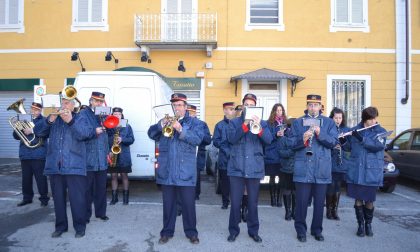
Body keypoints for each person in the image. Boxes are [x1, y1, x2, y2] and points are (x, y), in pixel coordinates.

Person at [147, 93, 205, 245]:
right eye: (174, 105)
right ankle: (167, 232)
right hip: (167, 170)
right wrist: (161, 125)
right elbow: (151, 134)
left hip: (186, 170)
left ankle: (191, 232)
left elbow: (198, 139)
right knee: (168, 205)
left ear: (186, 107)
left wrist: (180, 129)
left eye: (179, 105)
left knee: (188, 205)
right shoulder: (165, 121)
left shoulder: (195, 123)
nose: (176, 108)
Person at [34, 97, 94, 238]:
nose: (64, 105)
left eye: (67, 103)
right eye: (63, 102)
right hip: (55, 166)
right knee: (58, 199)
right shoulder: (53, 118)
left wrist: (70, 121)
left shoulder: (80, 118)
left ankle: (80, 227)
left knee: (77, 199)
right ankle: (60, 227)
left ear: (74, 106)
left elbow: (86, 134)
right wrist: (50, 119)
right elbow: (38, 132)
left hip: (75, 166)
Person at [289, 94, 338, 242]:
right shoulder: (298, 122)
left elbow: (334, 142)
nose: (313, 108)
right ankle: (301, 230)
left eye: (316, 105)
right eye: (310, 105)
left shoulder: (329, 123)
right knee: (301, 203)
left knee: (318, 204)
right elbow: (291, 144)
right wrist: (302, 139)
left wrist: (319, 133)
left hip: (321, 168)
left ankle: (317, 230)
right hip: (303, 167)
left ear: (320, 106)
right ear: (307, 106)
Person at [226, 93, 273, 243]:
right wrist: (245, 125)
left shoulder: (263, 123)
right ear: (242, 106)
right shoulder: (234, 123)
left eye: (252, 105)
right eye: (247, 104)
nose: (249, 107)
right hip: (236, 168)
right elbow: (231, 139)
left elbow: (269, 140)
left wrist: (259, 128)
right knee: (235, 202)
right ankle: (233, 230)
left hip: (254, 168)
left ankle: (254, 231)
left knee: (253, 202)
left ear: (256, 106)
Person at [344, 107, 387, 237]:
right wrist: (342, 141)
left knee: (369, 200)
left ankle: (368, 224)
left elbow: (378, 146)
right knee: (358, 199)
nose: (374, 121)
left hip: (371, 172)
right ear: (365, 119)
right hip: (357, 170)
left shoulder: (381, 131)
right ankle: (360, 225)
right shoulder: (354, 130)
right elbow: (348, 147)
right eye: (371, 119)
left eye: (375, 118)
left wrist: (362, 139)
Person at [13, 102, 50, 207]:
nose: (34, 111)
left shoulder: (44, 121)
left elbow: (45, 133)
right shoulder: (24, 120)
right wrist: (17, 127)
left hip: (39, 154)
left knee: (41, 179)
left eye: (37, 110)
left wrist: (32, 131)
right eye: (32, 109)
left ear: (40, 111)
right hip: (25, 154)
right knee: (26, 179)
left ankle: (44, 199)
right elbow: (16, 136)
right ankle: (27, 198)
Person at [81, 92, 110, 222]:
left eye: (101, 101)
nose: (99, 103)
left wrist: (108, 151)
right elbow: (81, 133)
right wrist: (94, 131)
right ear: (91, 101)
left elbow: (106, 135)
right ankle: (86, 215)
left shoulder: (102, 115)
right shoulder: (83, 114)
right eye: (97, 101)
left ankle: (100, 213)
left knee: (101, 188)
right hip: (89, 158)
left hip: (102, 157)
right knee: (87, 190)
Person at [326, 107, 350, 220]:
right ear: (332, 118)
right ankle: (328, 211)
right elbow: (324, 143)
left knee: (338, 187)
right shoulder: (328, 128)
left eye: (340, 118)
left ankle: (335, 211)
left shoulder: (345, 129)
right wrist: (332, 145)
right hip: (331, 161)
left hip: (341, 162)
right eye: (336, 118)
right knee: (330, 186)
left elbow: (349, 147)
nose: (338, 120)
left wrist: (343, 142)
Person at [108, 107, 135, 205]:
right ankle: (114, 198)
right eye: (115, 114)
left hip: (124, 155)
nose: (117, 116)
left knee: (124, 176)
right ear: (112, 115)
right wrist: (109, 150)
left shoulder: (127, 126)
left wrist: (122, 139)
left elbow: (132, 139)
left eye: (119, 114)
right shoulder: (109, 125)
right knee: (113, 176)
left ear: (121, 115)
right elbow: (105, 140)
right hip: (113, 154)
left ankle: (125, 198)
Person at [213, 102, 236, 209]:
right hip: (224, 159)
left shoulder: (237, 124)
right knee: (225, 182)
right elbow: (216, 141)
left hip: (236, 158)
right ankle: (225, 202)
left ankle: (236, 202)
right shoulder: (219, 125)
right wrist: (226, 149)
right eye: (229, 109)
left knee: (236, 182)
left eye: (232, 109)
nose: (231, 111)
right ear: (224, 110)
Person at [187, 104, 212, 201]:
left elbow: (208, 140)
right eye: (188, 112)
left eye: (192, 112)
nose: (190, 114)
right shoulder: (182, 123)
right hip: (185, 154)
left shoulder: (202, 124)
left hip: (197, 154)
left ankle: (195, 194)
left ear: (195, 113)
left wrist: (197, 137)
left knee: (196, 175)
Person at [265, 103, 287, 207]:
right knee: (272, 178)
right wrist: (276, 134)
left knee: (281, 178)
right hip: (272, 153)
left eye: (281, 110)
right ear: (274, 112)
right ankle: (273, 199)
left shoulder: (286, 123)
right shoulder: (269, 123)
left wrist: (285, 134)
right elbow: (267, 138)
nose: (279, 112)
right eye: (277, 110)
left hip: (282, 154)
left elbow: (290, 137)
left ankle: (279, 200)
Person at [278, 117, 296, 221]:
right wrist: (292, 152)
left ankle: (294, 211)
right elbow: (280, 152)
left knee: (295, 191)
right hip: (285, 168)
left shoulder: (300, 137)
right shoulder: (282, 138)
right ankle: (288, 211)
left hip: (296, 168)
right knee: (287, 190)